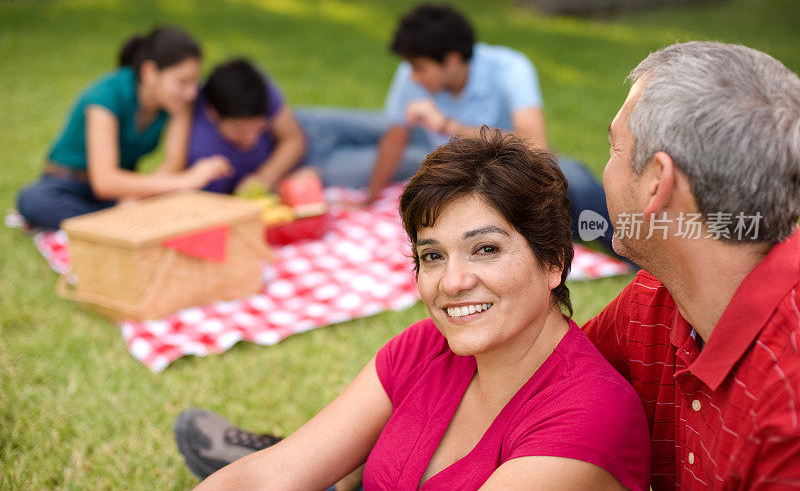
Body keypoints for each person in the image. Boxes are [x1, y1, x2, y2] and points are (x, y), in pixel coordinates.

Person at [176, 130, 652, 490]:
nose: (452, 282)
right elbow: (275, 473)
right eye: (432, 256)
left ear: (552, 261)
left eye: (485, 249)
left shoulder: (590, 416)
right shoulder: (426, 347)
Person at [582, 41, 800, 488]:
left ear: (657, 183)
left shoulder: (787, 404)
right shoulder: (654, 298)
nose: (606, 170)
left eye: (614, 149)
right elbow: (539, 369)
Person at [295, 3, 614, 251]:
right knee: (351, 127)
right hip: (443, 160)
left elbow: (536, 145)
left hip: (508, 165)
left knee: (575, 180)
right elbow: (394, 138)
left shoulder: (509, 69)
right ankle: (292, 137)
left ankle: (625, 246)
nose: (413, 77)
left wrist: (447, 124)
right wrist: (370, 197)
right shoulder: (411, 76)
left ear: (451, 60)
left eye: (420, 68)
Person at [16, 26, 231, 230]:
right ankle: (115, 223)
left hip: (122, 192)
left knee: (176, 203)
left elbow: (174, 163)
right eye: (182, 82)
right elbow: (105, 181)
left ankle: (114, 222)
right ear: (150, 73)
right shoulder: (105, 97)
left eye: (194, 82)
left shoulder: (178, 102)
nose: (191, 92)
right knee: (33, 199)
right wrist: (184, 181)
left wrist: (135, 198)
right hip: (69, 186)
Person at [185, 58, 306, 194]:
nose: (252, 140)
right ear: (212, 113)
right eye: (240, 131)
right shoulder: (202, 149)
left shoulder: (252, 88)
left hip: (305, 126)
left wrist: (265, 177)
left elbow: (293, 138)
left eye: (259, 129)